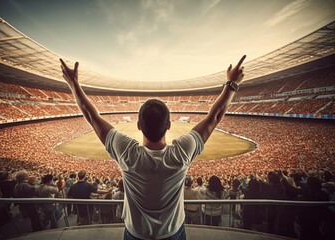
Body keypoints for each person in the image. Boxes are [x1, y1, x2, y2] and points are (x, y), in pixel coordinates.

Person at [60, 55, 246, 239]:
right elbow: (214, 117)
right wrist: (231, 84)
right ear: (169, 125)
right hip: (173, 233)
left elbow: (92, 117)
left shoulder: (127, 153)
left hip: (136, 233)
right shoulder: (181, 153)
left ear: (139, 126)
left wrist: (74, 84)